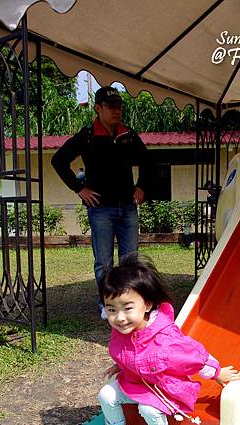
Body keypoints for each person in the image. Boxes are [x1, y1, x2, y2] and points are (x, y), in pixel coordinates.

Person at [90, 253, 240, 425]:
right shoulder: (122, 330)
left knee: (148, 409)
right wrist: (120, 365)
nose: (119, 317)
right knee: (106, 394)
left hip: (161, 388)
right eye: (111, 309)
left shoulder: (165, 339)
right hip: (133, 381)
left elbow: (194, 357)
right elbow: (128, 352)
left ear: (148, 304)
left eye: (127, 308)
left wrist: (217, 372)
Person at [51, 86, 151, 318]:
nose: (117, 111)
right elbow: (59, 161)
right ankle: (107, 304)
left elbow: (148, 162)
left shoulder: (129, 135)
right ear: (98, 108)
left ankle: (131, 302)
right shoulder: (87, 136)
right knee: (104, 263)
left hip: (127, 208)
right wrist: (80, 189)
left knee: (130, 260)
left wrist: (142, 186)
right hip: (101, 210)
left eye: (119, 106)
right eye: (111, 106)